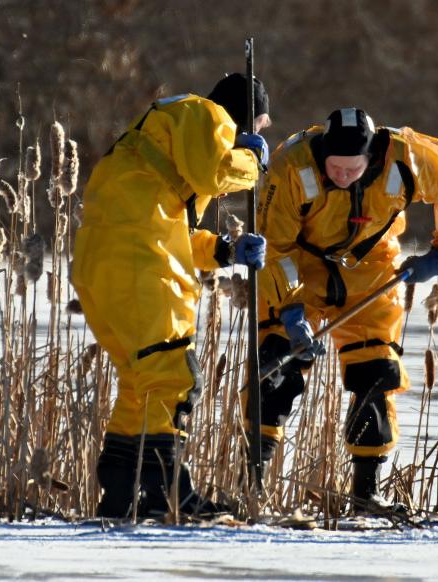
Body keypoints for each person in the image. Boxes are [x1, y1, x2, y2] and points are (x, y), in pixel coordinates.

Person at [253, 107, 438, 512]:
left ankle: (365, 492)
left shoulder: (407, 158)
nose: (342, 176)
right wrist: (289, 309)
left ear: (370, 157)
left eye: (351, 168)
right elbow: (275, 248)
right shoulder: (292, 167)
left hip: (371, 273)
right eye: (335, 168)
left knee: (375, 377)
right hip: (299, 268)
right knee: (275, 367)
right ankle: (250, 483)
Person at [71, 73, 271, 518]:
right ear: (248, 120)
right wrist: (252, 161)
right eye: (261, 127)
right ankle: (170, 497)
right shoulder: (206, 113)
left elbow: (171, 227)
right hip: (140, 262)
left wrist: (225, 250)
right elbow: (216, 171)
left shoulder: (159, 136)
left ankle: (120, 497)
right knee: (175, 377)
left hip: (104, 264)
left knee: (141, 387)